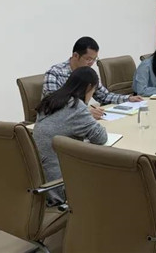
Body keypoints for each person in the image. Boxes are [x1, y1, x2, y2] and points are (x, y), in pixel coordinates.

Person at [33, 66, 107, 205]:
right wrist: (87, 113)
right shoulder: (76, 107)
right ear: (89, 87)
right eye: (93, 90)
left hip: (37, 179)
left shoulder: (50, 100)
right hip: (57, 187)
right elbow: (101, 138)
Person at [43, 36, 143, 120]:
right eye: (88, 59)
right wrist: (85, 112)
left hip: (80, 121)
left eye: (94, 59)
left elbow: (104, 96)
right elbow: (54, 106)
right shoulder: (55, 73)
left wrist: (128, 98)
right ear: (75, 55)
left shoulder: (88, 74)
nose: (91, 63)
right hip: (58, 123)